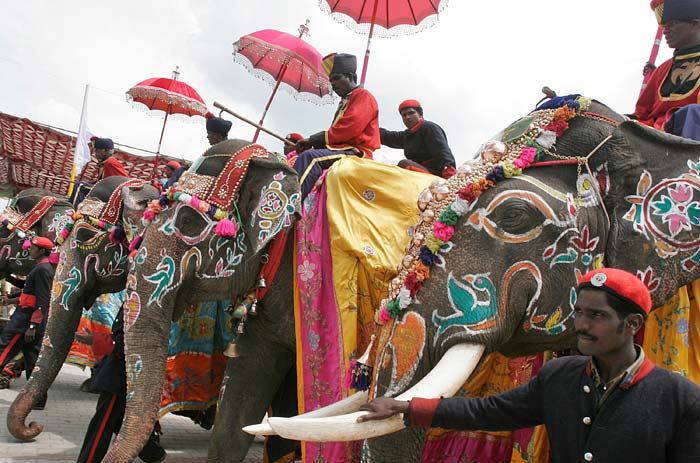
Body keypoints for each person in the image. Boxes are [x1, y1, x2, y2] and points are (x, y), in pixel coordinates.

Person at [359, 268, 700, 462]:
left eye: (596, 316)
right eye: (579, 312)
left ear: (632, 324)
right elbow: (488, 411)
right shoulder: (559, 376)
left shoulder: (679, 398)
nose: (580, 324)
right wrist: (406, 408)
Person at [75, 305, 166, 463]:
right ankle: (152, 453)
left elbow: (132, 342)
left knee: (102, 424)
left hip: (120, 375)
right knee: (117, 420)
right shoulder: (133, 300)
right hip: (119, 372)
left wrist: (97, 340)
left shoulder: (142, 304)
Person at [294, 53, 380, 198]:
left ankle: (289, 207)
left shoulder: (363, 96)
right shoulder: (346, 101)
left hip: (356, 152)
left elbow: (348, 128)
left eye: (337, 78)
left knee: (309, 158)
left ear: (351, 77)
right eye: (331, 80)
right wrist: (315, 144)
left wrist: (312, 140)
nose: (332, 84)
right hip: (342, 149)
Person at [0, 236, 55, 409]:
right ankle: (37, 400)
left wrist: (32, 326)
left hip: (25, 322)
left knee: (3, 350)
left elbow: (42, 300)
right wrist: (10, 297)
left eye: (32, 248)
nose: (29, 250)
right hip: (30, 321)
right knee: (32, 361)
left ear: (41, 251)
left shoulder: (42, 270)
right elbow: (28, 292)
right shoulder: (41, 268)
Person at [635, 0, 700, 138]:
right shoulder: (662, 69)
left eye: (672, 24)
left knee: (692, 113)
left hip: (690, 133)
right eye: (664, 26)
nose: (665, 30)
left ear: (695, 24)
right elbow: (642, 113)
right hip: (656, 135)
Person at [380, 99, 456, 178]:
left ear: (420, 114)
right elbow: (387, 137)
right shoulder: (407, 135)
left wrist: (450, 174)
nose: (408, 117)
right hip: (419, 173)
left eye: (411, 113)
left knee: (404, 164)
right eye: (404, 115)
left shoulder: (429, 128)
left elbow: (442, 151)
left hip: (436, 173)